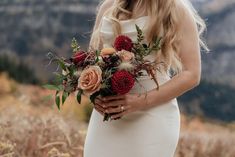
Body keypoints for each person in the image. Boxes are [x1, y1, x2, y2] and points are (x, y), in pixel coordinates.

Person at [84, 0, 208, 156]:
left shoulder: (175, 9)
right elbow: (91, 62)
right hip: (107, 116)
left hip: (152, 116)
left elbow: (192, 74)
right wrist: (94, 96)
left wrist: (140, 101)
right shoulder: (109, 7)